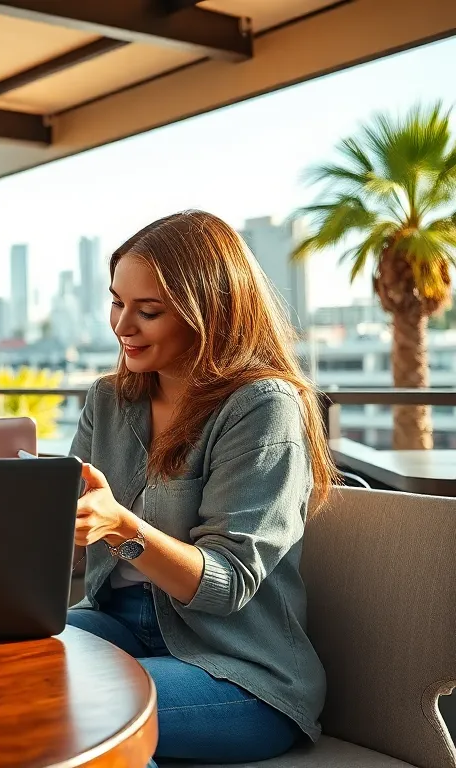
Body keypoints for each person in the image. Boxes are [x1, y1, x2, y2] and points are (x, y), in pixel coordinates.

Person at [67, 210, 332, 764]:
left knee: (87, 707)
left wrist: (120, 526)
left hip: (237, 668)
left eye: (149, 311)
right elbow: (69, 544)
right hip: (118, 623)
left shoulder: (262, 407)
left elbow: (227, 584)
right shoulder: (108, 400)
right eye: (117, 301)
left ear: (207, 313)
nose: (122, 326)